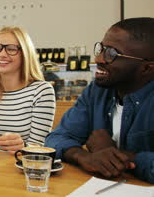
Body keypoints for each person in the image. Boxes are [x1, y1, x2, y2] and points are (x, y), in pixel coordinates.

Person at [46, 17, 154, 183]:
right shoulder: (97, 91)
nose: (98, 59)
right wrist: (83, 157)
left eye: (112, 53)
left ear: (146, 68)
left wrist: (118, 155)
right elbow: (56, 138)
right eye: (101, 49)